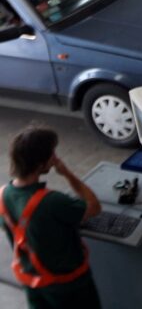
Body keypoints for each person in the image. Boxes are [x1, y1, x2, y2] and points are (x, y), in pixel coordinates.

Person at [1, 126, 102, 309]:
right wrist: (67, 173)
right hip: (69, 288)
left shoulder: (2, 196)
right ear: (41, 165)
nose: (55, 157)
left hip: (33, 283)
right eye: (52, 154)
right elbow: (94, 207)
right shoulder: (52, 201)